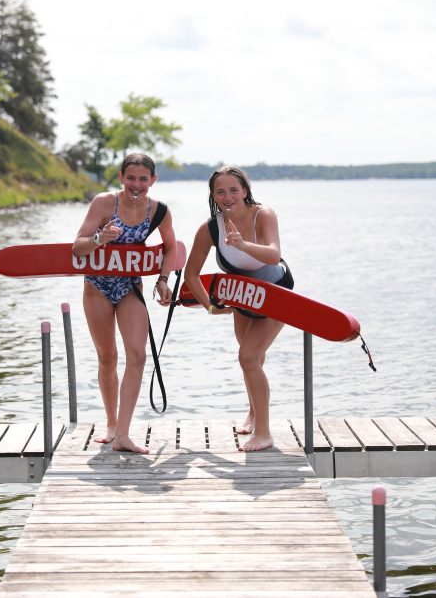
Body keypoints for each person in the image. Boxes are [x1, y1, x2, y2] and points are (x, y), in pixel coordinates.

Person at [72, 152, 177, 454]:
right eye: (130, 178)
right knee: (108, 357)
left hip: (131, 287)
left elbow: (171, 249)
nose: (136, 184)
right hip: (97, 286)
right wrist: (99, 239)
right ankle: (111, 423)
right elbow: (78, 247)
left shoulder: (159, 211)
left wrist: (163, 279)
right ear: (121, 177)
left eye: (143, 179)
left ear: (152, 181)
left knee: (138, 355)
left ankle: (123, 434)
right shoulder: (105, 202)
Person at [184, 166, 293, 452]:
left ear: (244, 190)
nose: (228, 196)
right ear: (213, 196)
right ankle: (254, 413)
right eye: (221, 191)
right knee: (253, 361)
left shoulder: (263, 213)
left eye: (234, 189)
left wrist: (243, 245)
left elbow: (274, 253)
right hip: (243, 298)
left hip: (276, 293)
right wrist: (209, 307)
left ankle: (264, 433)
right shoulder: (210, 228)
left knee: (248, 357)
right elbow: (191, 275)